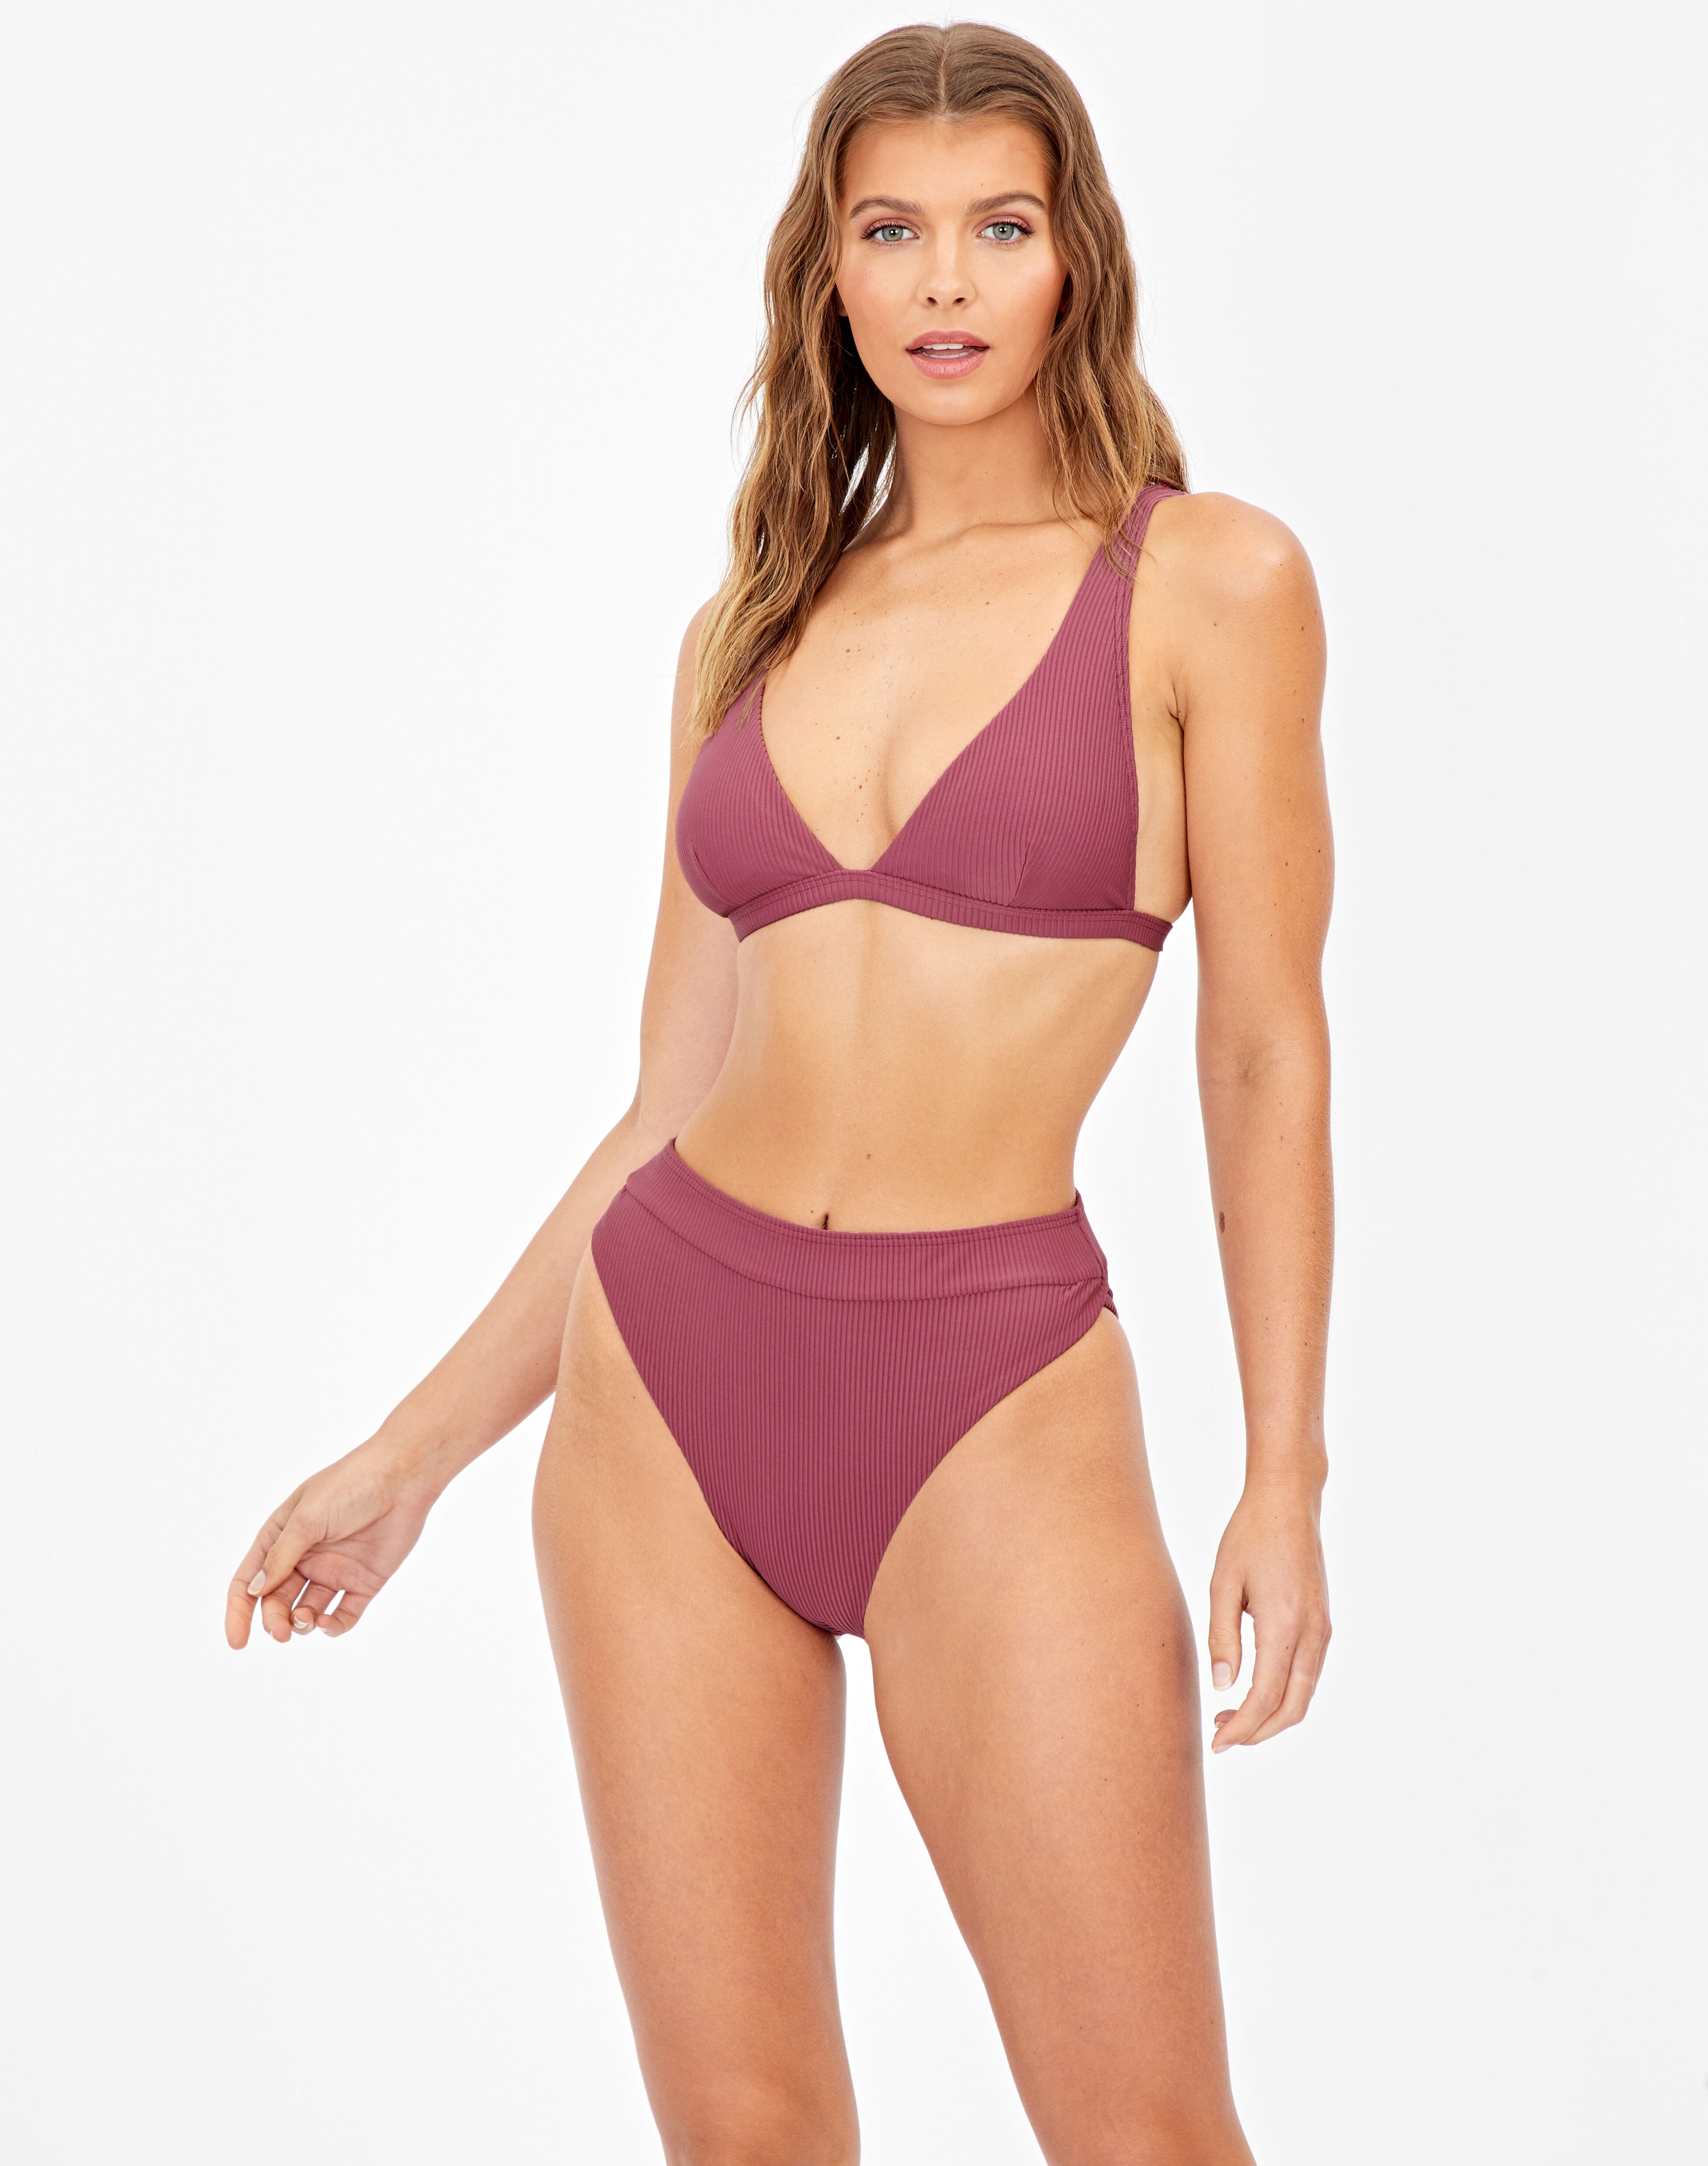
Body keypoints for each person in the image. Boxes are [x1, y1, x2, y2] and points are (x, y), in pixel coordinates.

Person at [226, 23, 1333, 2163]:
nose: (946, 283)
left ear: (1076, 261)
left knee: (1147, 2132)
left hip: (992, 1389)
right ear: (828, 270)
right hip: (663, 1383)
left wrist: (1284, 1472)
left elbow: (1266, 1046)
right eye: (892, 232)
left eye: (1000, 228)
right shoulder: (752, 624)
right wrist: (411, 1455)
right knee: (743, 2136)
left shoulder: (1211, 583)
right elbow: (667, 1099)